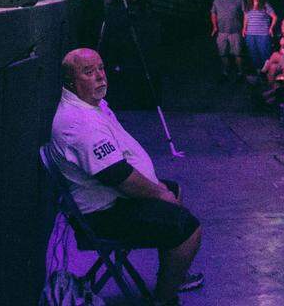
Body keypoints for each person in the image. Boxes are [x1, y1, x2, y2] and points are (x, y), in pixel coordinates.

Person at [49, 49, 202, 305]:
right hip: (102, 214)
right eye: (89, 72)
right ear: (71, 82)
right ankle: (164, 300)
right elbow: (118, 176)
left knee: (174, 189)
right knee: (189, 230)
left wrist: (160, 188)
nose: (100, 76)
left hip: (111, 199)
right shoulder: (79, 123)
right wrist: (158, 192)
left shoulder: (90, 103)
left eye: (101, 68)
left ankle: (175, 274)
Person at [210, 0, 246, 80]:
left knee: (237, 53)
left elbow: (245, 13)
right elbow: (213, 13)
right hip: (222, 32)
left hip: (235, 31)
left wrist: (244, 28)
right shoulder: (217, 0)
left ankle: (240, 72)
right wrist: (214, 26)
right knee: (223, 53)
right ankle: (225, 72)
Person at [241, 0, 277, 75]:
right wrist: (244, 28)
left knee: (264, 53)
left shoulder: (265, 5)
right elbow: (246, 18)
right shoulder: (248, 6)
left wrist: (271, 28)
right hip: (250, 35)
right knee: (253, 53)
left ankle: (268, 74)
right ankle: (258, 73)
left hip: (263, 35)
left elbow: (274, 17)